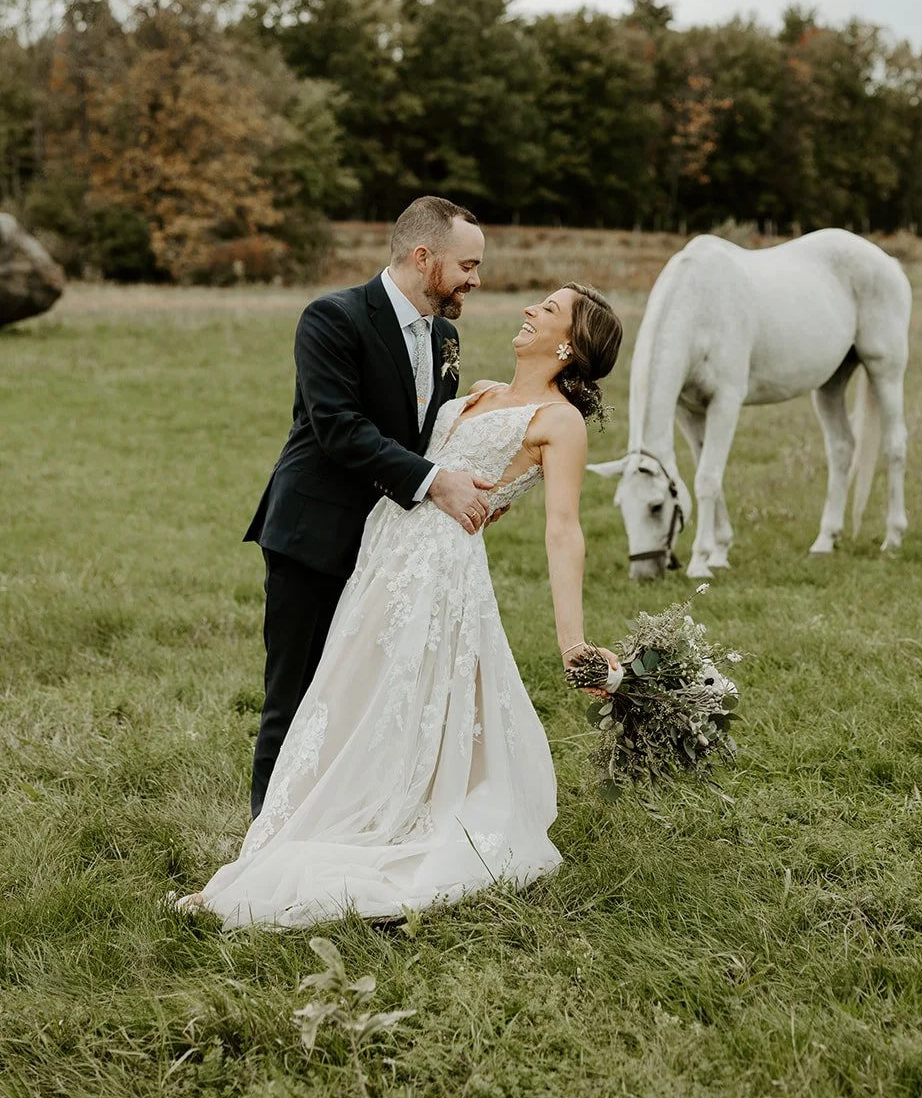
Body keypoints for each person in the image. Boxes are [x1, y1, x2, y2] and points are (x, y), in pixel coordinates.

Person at [183, 281, 623, 926]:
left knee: (384, 701)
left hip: (436, 570)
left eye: (548, 309)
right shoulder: (478, 393)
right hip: (382, 549)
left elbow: (564, 530)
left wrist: (571, 642)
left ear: (569, 345)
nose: (531, 309)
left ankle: (339, 835)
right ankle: (284, 837)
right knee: (344, 697)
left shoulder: (558, 421)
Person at [244, 195, 494, 818]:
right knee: (297, 695)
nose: (475, 280)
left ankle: (334, 820)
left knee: (358, 694)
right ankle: (264, 841)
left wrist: (476, 449)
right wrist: (436, 482)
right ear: (422, 256)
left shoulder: (447, 337)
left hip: (389, 546)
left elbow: (424, 434)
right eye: (467, 265)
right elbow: (339, 428)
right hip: (314, 534)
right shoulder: (332, 318)